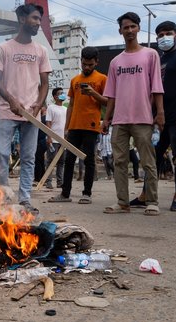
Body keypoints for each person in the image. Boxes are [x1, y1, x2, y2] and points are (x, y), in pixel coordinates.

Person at [101, 12, 164, 215]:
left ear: (138, 28)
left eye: (132, 27)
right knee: (119, 161)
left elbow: (157, 87)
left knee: (147, 161)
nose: (129, 31)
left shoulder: (150, 55)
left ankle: (152, 201)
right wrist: (106, 119)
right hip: (119, 119)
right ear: (120, 30)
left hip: (143, 118)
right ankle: (122, 202)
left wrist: (160, 112)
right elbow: (111, 94)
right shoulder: (115, 62)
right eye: (125, 27)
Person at [0, 3, 52, 215]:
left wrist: (39, 103)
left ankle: (25, 199)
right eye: (34, 18)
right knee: (1, 154)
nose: (37, 23)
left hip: (32, 115)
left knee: (29, 157)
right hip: (8, 112)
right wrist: (11, 100)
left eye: (39, 19)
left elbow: (45, 83)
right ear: (21, 19)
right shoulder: (4, 48)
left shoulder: (41, 51)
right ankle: (3, 197)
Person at [129, 21, 176, 211]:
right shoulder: (158, 58)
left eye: (168, 33)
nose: (165, 37)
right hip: (158, 118)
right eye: (161, 34)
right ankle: (145, 194)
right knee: (152, 157)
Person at [50, 46, 107, 203]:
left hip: (91, 126)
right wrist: (66, 127)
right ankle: (65, 194)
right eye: (84, 64)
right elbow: (72, 105)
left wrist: (93, 93)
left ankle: (86, 194)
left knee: (89, 160)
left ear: (96, 62)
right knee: (69, 160)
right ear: (80, 61)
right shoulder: (75, 80)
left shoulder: (102, 79)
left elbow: (108, 102)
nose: (87, 67)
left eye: (90, 64)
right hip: (74, 127)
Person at [44, 88, 68, 190]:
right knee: (50, 161)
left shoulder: (66, 109)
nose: (62, 95)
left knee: (61, 162)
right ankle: (48, 182)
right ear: (55, 97)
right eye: (60, 93)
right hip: (53, 140)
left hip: (63, 140)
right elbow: (48, 123)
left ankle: (60, 182)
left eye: (63, 93)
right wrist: (49, 137)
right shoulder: (51, 108)